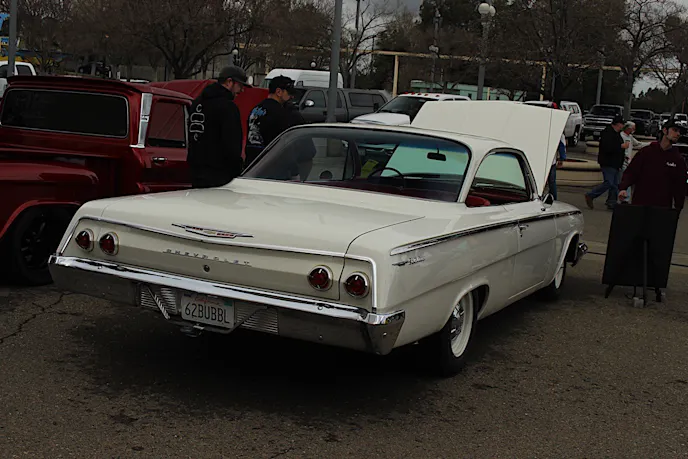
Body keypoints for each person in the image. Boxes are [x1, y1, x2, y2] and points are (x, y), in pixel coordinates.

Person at [186, 66, 250, 188]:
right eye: (240, 85)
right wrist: (237, 168)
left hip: (196, 170)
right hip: (219, 174)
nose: (242, 90)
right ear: (229, 82)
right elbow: (232, 145)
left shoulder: (197, 103)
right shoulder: (228, 107)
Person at [618, 118, 687, 210]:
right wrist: (623, 188)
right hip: (640, 204)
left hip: (662, 208)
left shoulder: (678, 159)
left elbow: (680, 186)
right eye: (675, 130)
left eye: (679, 132)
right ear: (665, 130)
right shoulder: (646, 152)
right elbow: (631, 172)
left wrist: (678, 206)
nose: (678, 134)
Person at [245, 75, 296, 168]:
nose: (291, 96)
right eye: (288, 93)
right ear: (278, 92)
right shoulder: (280, 112)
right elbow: (283, 142)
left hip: (252, 162)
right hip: (270, 164)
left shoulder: (256, 108)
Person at [585, 115, 630, 210]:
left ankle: (612, 202)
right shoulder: (607, 133)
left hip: (616, 163)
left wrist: (623, 156)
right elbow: (607, 147)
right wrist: (621, 147)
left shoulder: (617, 134)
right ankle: (591, 194)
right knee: (609, 182)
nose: (622, 126)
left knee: (615, 184)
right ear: (618, 124)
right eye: (622, 124)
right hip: (608, 162)